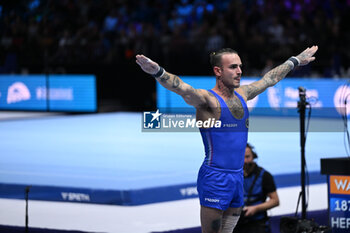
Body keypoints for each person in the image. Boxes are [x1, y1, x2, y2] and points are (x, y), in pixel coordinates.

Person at [136, 45, 318, 233]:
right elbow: (182, 88)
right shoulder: (208, 100)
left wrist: (295, 60)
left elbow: (270, 79)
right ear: (218, 71)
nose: (239, 71)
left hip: (237, 177)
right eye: (233, 67)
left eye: (240, 66)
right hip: (215, 177)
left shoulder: (243, 94)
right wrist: (158, 72)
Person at [233, 143, 279, 233]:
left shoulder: (265, 175)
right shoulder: (232, 176)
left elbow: (275, 201)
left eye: (247, 157)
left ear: (254, 156)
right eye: (241, 157)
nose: (245, 161)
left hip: (258, 223)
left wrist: (256, 208)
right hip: (236, 223)